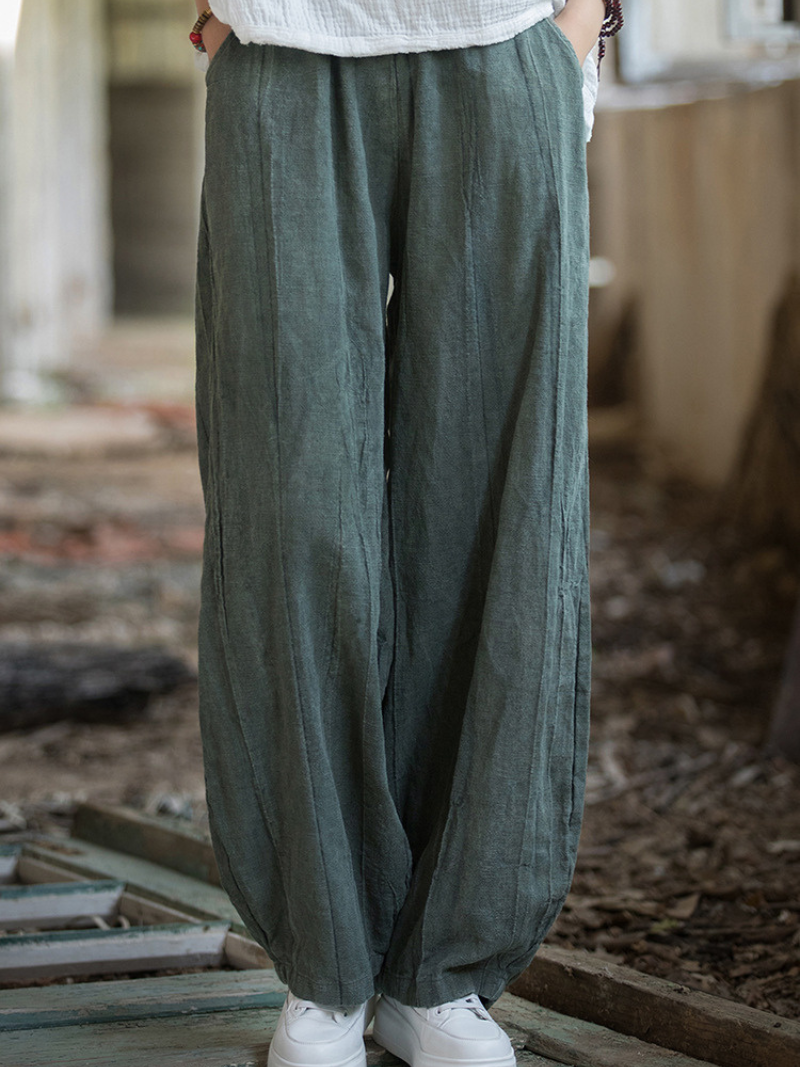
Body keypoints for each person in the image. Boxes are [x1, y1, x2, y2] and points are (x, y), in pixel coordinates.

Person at [190, 3, 622, 1067]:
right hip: (283, 59)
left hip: (500, 42)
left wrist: (575, 26)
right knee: (287, 512)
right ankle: (325, 961)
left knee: (496, 511)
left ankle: (443, 969)